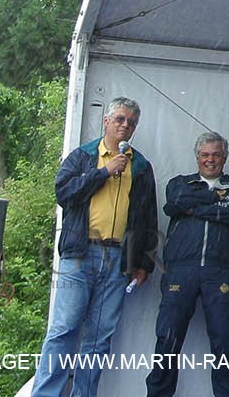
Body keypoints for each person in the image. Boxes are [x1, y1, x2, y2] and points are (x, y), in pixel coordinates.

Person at [32, 98, 156, 397]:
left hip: (118, 258)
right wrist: (103, 172)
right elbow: (63, 193)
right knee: (64, 330)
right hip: (81, 253)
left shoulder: (140, 165)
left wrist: (144, 264)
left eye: (131, 122)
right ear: (106, 121)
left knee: (99, 338)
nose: (125, 125)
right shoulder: (84, 156)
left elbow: (149, 217)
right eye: (120, 119)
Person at [146, 132, 229, 397]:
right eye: (205, 155)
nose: (210, 160)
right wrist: (214, 201)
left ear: (224, 158)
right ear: (197, 157)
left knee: (226, 343)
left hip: (221, 272)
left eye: (216, 154)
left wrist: (195, 207)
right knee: (167, 339)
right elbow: (175, 203)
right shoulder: (179, 183)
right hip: (180, 270)